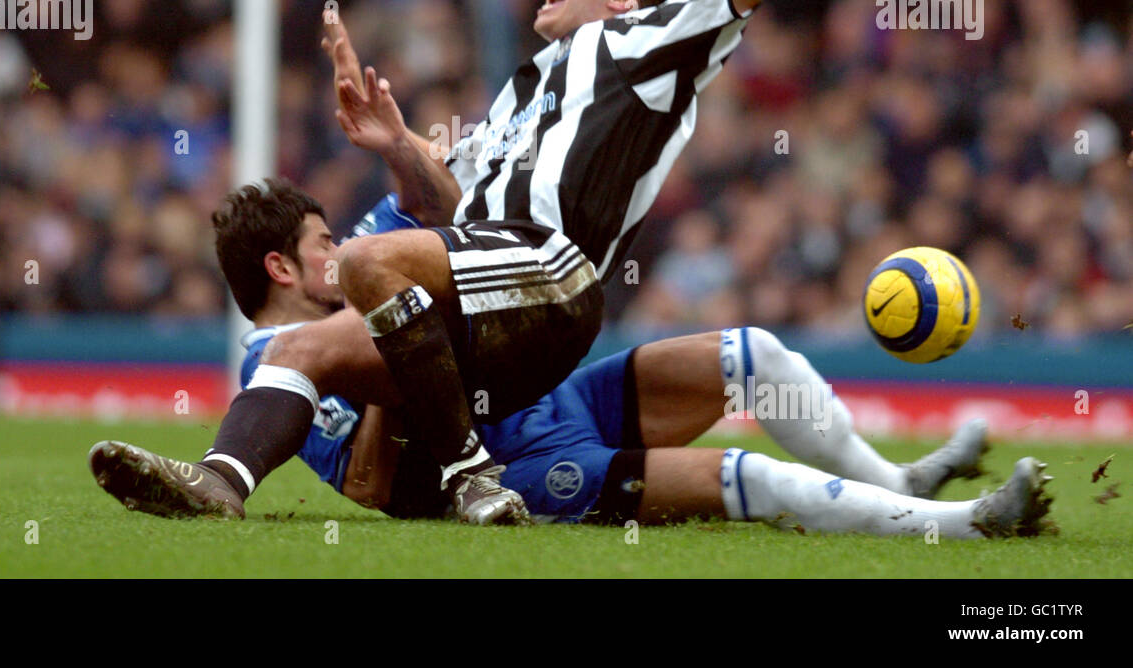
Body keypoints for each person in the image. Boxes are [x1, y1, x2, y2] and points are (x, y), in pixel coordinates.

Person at [168, 0, 812, 525]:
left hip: (549, 287)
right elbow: (452, 207)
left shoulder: (639, 43)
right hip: (497, 326)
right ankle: (228, 484)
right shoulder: (519, 94)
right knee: (305, 342)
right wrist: (400, 146)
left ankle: (470, 474)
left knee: (370, 266)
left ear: (620, 2)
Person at [90, 183, 1054, 538]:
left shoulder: (355, 296)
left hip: (552, 394)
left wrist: (394, 150)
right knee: (748, 478)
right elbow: (379, 487)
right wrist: (395, 364)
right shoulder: (284, 370)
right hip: (525, 469)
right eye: (321, 240)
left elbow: (446, 215)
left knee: (753, 355)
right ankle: (962, 525)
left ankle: (899, 478)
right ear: (280, 267)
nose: (340, 247)